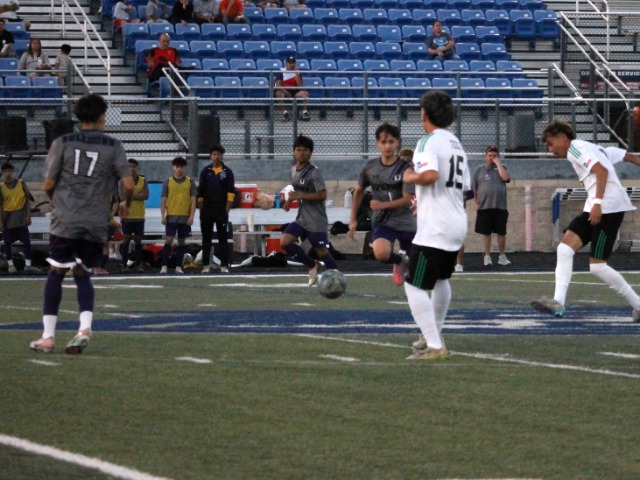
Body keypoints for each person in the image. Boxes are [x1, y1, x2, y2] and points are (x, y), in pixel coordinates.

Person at [29, 94, 134, 355]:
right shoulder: (114, 146)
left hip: (66, 218)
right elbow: (129, 184)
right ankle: (84, 329)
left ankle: (48, 337)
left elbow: (49, 183)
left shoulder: (62, 142)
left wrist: (57, 202)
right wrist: (125, 203)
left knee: (56, 272)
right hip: (96, 220)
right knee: (83, 272)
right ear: (102, 118)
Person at [531, 120, 640, 322]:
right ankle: (558, 303)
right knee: (564, 249)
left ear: (563, 138)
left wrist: (598, 203)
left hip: (608, 208)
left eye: (551, 143)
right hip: (596, 206)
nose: (550, 149)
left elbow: (601, 171)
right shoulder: (595, 148)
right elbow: (629, 157)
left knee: (598, 266)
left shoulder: (575, 149)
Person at [402, 90, 470, 361]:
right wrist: (424, 202)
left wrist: (410, 175)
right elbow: (463, 188)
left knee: (413, 284)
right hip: (456, 221)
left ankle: (434, 344)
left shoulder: (427, 141)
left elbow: (430, 175)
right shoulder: (455, 142)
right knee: (441, 279)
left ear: (425, 114)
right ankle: (434, 335)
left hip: (436, 227)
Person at [349, 122, 416, 286]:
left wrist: (382, 205)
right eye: (383, 142)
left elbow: (407, 199)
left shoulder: (406, 168)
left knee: (415, 274)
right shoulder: (370, 166)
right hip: (383, 221)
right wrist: (353, 219)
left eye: (391, 141)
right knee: (380, 254)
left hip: (406, 221)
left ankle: (408, 264)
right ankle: (398, 261)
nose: (387, 146)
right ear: (377, 143)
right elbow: (358, 191)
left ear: (397, 142)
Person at [280, 135, 338, 286]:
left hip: (316, 219)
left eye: (305, 150)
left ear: (310, 153)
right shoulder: (294, 170)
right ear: (294, 152)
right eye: (298, 150)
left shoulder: (314, 172)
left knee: (321, 251)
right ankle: (313, 265)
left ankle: (337, 278)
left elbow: (322, 195)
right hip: (302, 218)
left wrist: (299, 196)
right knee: (285, 242)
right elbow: (297, 190)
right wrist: (289, 201)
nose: (301, 153)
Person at [198, 144, 235, 274]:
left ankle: (224, 265)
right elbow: (201, 193)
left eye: (218, 154)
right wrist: (201, 211)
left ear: (222, 156)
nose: (216, 157)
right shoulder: (205, 171)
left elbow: (230, 193)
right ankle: (205, 265)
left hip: (221, 210)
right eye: (214, 154)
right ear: (210, 156)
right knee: (206, 239)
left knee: (222, 238)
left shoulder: (227, 172)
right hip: (207, 210)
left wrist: (226, 210)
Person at [472, 145, 511, 267]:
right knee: (486, 232)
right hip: (484, 206)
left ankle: (502, 256)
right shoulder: (478, 170)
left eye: (494, 155)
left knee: (501, 232)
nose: (492, 158)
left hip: (500, 206)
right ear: (485, 156)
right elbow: (474, 188)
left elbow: (506, 178)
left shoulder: (503, 167)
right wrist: (474, 202)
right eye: (490, 155)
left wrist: (498, 164)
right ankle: (487, 256)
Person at [0, 162, 39, 274]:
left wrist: (28, 215)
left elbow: (27, 201)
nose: (8, 174)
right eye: (5, 171)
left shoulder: (21, 183)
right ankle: (11, 266)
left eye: (9, 171)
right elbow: (0, 206)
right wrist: (1, 222)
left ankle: (28, 266)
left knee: (26, 241)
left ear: (13, 171)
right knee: (7, 243)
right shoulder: (1, 188)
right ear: (3, 173)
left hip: (21, 218)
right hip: (8, 219)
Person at [159, 156, 196, 274]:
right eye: (177, 167)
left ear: (185, 168)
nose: (179, 169)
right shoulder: (168, 182)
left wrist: (191, 216)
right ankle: (164, 265)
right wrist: (163, 216)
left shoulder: (190, 182)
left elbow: (193, 200)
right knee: (169, 239)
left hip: (184, 217)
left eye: (182, 167)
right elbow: (163, 200)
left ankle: (178, 266)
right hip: (171, 216)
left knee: (181, 241)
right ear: (173, 168)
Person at [119, 159, 149, 272]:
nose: (132, 169)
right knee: (126, 239)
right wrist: (137, 194)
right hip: (127, 215)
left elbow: (145, 195)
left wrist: (130, 194)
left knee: (138, 240)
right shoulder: (122, 181)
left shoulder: (143, 180)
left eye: (134, 166)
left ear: (137, 167)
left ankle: (138, 265)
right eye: (129, 167)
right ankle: (124, 264)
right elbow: (122, 197)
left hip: (139, 215)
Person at [275, 56, 310, 122]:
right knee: (278, 93)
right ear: (286, 63)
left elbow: (300, 85)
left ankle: (304, 113)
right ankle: (285, 113)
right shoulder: (282, 71)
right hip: (285, 91)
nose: (292, 65)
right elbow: (277, 85)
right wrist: (286, 92)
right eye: (290, 63)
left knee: (305, 94)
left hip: (295, 91)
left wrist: (296, 74)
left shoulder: (297, 72)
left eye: (293, 63)